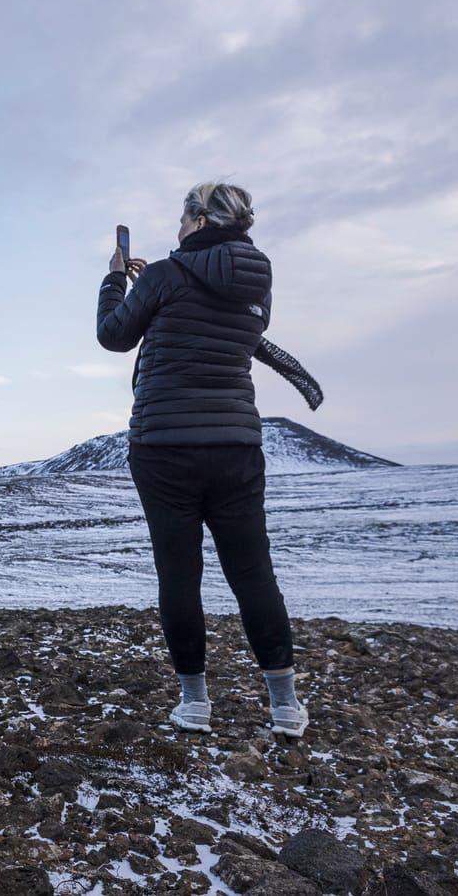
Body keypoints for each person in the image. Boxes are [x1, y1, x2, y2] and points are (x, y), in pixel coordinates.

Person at [95, 182, 308, 738]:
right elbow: (236, 329)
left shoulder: (166, 274)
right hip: (236, 445)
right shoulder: (257, 277)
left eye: (182, 217)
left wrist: (117, 279)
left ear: (197, 218)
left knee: (179, 574)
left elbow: (114, 335)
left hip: (164, 446)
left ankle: (195, 704)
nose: (177, 227)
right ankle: (285, 706)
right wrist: (162, 289)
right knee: (253, 571)